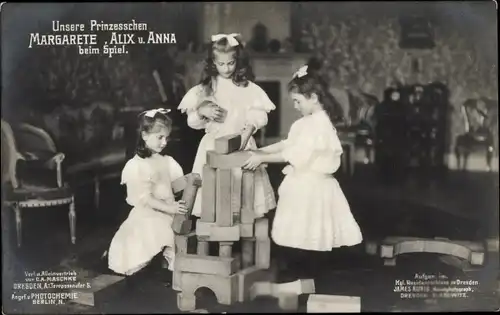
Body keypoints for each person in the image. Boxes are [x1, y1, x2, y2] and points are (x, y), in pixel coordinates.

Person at [242, 65, 363, 281]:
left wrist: (261, 158)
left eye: (298, 101)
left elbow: (294, 154)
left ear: (313, 97)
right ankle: (299, 272)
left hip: (312, 185)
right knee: (299, 229)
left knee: (310, 230)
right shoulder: (306, 122)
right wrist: (260, 150)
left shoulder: (320, 125)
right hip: (302, 182)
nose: (296, 106)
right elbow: (287, 144)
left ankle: (307, 274)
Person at [177, 33, 276, 219]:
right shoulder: (206, 88)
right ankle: (219, 232)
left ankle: (241, 230)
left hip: (241, 143)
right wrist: (201, 111)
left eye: (230, 63)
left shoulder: (247, 88)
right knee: (215, 191)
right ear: (212, 63)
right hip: (213, 146)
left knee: (243, 191)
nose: (226, 68)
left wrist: (250, 127)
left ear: (238, 61)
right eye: (221, 64)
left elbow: (260, 115)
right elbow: (192, 122)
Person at [107, 108, 188, 276]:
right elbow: (146, 199)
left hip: (167, 210)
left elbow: (177, 185)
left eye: (166, 138)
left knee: (168, 229)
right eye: (160, 137)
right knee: (146, 233)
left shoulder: (167, 161)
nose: (164, 142)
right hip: (150, 211)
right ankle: (147, 269)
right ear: (144, 135)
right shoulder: (137, 165)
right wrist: (170, 208)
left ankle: (167, 268)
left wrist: (179, 200)